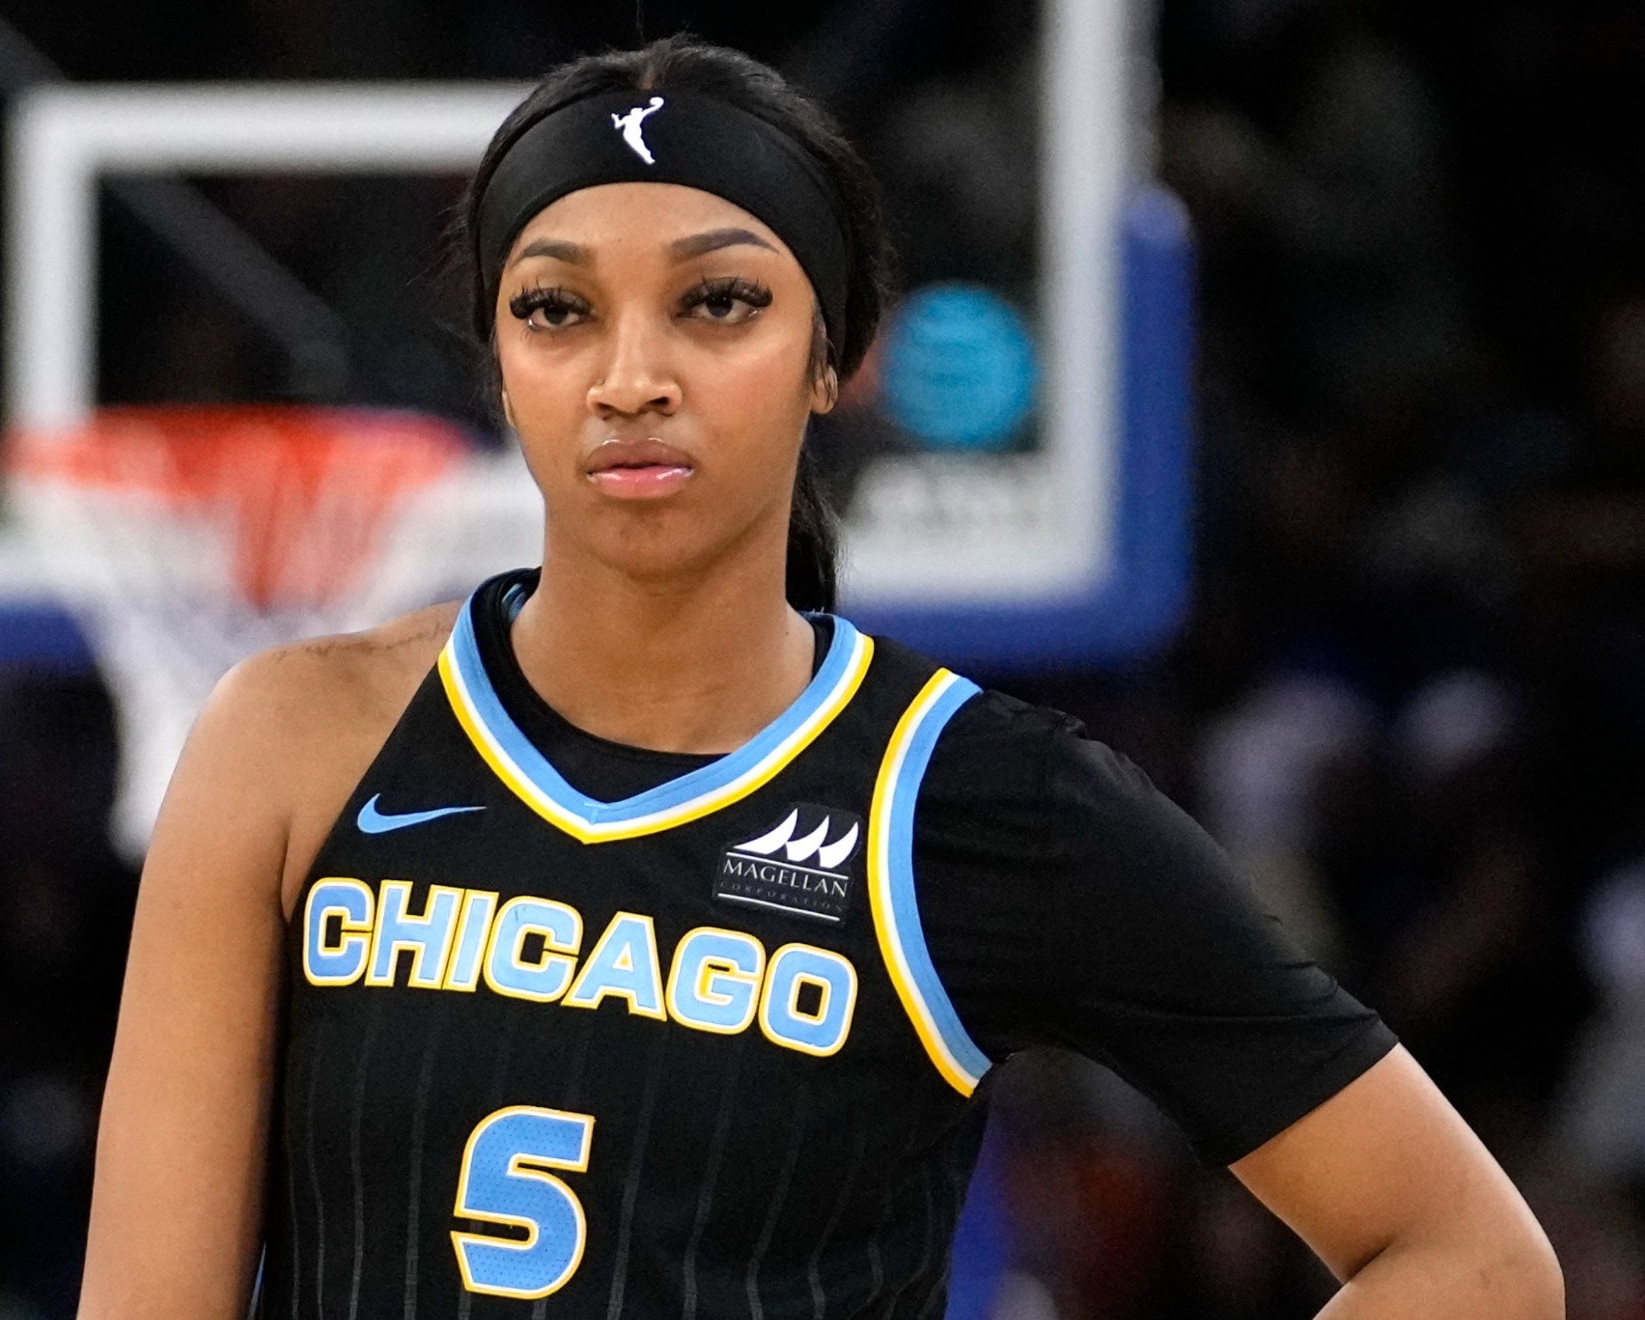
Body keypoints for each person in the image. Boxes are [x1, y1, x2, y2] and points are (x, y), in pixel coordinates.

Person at [78, 37, 1562, 1320]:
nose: (630, 373)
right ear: (498, 362)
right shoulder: (292, 743)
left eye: (717, 303)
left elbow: (1472, 1259)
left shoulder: (974, 798)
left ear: (831, 358)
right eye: (557, 308)